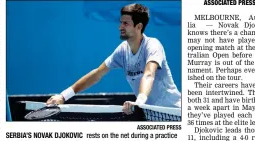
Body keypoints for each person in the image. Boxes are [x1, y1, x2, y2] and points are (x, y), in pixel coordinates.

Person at [46, 3, 181, 114]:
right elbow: (97, 74)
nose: (120, 27)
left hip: (175, 113)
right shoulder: (122, 50)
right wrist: (63, 96)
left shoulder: (153, 45)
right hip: (151, 115)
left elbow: (149, 74)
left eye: (126, 24)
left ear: (139, 26)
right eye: (121, 22)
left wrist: (139, 101)